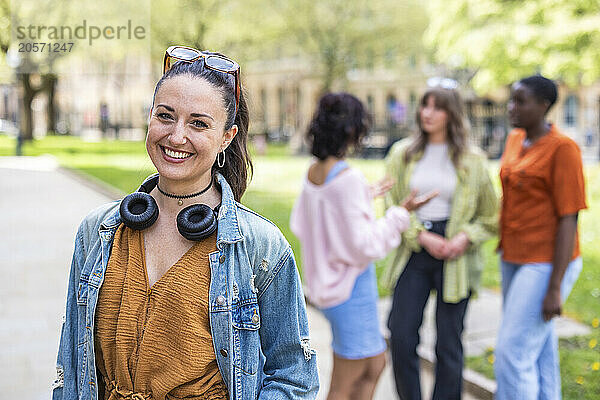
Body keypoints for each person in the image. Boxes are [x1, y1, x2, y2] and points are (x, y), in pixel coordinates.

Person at [52, 46, 319, 400]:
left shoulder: (261, 246)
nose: (176, 136)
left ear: (227, 136)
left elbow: (295, 378)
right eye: (165, 116)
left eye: (198, 123)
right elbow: (71, 366)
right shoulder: (97, 231)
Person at [290, 93, 434, 400]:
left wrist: (364, 196)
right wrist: (400, 214)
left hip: (335, 288)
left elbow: (307, 221)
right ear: (353, 130)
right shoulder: (347, 178)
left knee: (374, 364)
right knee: (348, 378)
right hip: (348, 289)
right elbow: (363, 244)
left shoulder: (315, 172)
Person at [383, 86, 498, 400]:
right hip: (415, 249)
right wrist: (420, 235)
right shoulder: (402, 153)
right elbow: (393, 204)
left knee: (449, 341)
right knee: (402, 334)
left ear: (453, 114)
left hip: (456, 255)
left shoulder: (473, 161)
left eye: (437, 107)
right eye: (424, 106)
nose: (428, 113)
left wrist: (464, 238)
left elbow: (491, 216)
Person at [494, 75, 587, 400]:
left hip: (545, 263)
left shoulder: (564, 149)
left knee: (511, 353)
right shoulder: (515, 140)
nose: (511, 107)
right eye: (511, 99)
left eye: (520, 101)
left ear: (543, 106)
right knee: (539, 347)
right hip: (513, 257)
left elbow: (569, 219)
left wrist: (554, 287)